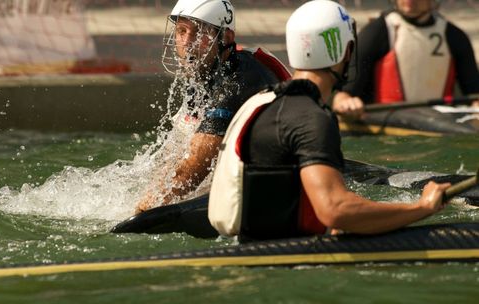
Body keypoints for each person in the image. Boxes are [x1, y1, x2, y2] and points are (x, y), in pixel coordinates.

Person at [208, 0, 450, 240]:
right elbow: (335, 210)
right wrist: (421, 208)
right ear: (344, 52)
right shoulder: (310, 118)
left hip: (254, 250)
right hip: (286, 263)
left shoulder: (268, 101)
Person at [135, 0, 288, 214]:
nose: (187, 42)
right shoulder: (203, 72)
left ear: (226, 38)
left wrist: (142, 210)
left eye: (198, 33)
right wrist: (150, 191)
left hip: (278, 190)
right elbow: (176, 150)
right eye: (181, 31)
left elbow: (195, 166)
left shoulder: (239, 80)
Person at [332, 0, 479, 118]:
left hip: (440, 124)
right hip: (387, 125)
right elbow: (344, 94)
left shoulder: (455, 37)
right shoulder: (377, 32)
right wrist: (345, 101)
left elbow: (473, 94)